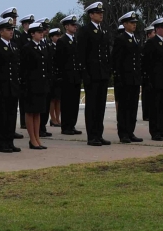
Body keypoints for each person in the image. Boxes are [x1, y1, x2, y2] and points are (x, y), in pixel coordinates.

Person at [77, 2, 111, 147]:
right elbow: (82, 53)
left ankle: (99, 134)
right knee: (92, 106)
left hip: (102, 73)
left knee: (101, 106)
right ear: (91, 15)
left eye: (101, 12)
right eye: (97, 12)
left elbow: (105, 53)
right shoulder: (85, 30)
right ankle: (92, 136)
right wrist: (85, 73)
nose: (101, 14)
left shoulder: (103, 29)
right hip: (92, 73)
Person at [0, 17, 22, 153]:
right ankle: (2, 144)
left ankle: (10, 141)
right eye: (8, 30)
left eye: (12, 29)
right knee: (2, 117)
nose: (11, 32)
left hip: (12, 86)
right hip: (1, 87)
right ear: (1, 32)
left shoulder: (14, 46)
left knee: (12, 116)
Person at [112, 11, 143, 144]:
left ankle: (130, 131)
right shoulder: (121, 39)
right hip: (125, 79)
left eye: (135, 23)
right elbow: (117, 60)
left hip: (134, 79)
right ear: (125, 24)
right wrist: (119, 78)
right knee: (124, 107)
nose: (134, 25)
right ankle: (123, 133)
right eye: (131, 23)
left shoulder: (135, 38)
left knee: (133, 107)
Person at [19, 19, 50, 150]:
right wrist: (25, 85)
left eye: (41, 32)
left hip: (41, 85)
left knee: (38, 113)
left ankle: (37, 138)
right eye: (38, 32)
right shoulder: (27, 48)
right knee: (30, 112)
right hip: (31, 85)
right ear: (32, 34)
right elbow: (24, 69)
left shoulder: (43, 46)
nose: (41, 34)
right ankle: (32, 139)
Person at [142, 17, 163, 141]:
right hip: (155, 80)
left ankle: (161, 130)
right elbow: (147, 63)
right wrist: (148, 80)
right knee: (155, 107)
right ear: (157, 29)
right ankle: (155, 132)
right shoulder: (151, 42)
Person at [54, 15, 83, 136]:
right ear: (66, 26)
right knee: (67, 103)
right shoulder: (62, 41)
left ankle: (72, 124)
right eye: (72, 25)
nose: (75, 27)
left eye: (75, 25)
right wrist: (60, 76)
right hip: (66, 77)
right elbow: (59, 60)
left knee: (74, 102)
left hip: (76, 76)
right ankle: (66, 126)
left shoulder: (75, 40)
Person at [16, 14, 35, 132]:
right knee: (23, 100)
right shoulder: (21, 37)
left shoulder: (31, 37)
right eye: (29, 24)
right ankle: (23, 121)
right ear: (24, 25)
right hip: (25, 73)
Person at [47, 28, 62, 128]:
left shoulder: (60, 46)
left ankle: (58, 118)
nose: (58, 38)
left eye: (59, 36)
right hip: (52, 75)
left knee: (58, 99)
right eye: (56, 36)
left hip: (59, 75)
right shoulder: (49, 47)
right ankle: (52, 118)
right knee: (52, 99)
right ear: (51, 37)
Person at [141, 25, 154, 123]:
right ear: (149, 34)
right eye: (154, 33)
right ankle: (146, 114)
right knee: (146, 95)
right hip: (146, 74)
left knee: (150, 95)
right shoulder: (147, 45)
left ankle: (150, 113)